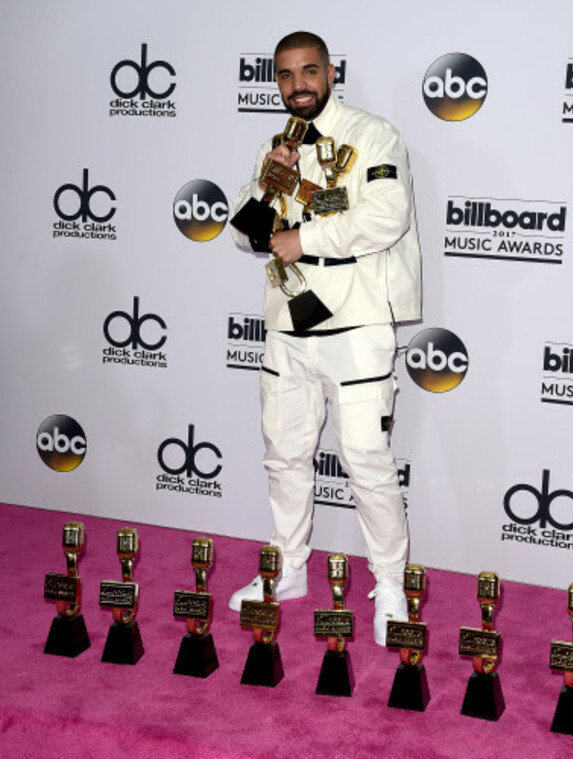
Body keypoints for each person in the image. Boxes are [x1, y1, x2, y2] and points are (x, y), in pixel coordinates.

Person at [229, 31, 421, 645]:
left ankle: (389, 583)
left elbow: (386, 217)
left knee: (366, 459)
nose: (298, 85)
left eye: (309, 71)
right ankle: (287, 569)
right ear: (277, 83)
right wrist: (268, 182)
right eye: (286, 76)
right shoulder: (274, 145)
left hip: (358, 325)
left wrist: (305, 239)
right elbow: (243, 234)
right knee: (284, 454)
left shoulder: (373, 135)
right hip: (289, 326)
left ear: (331, 73)